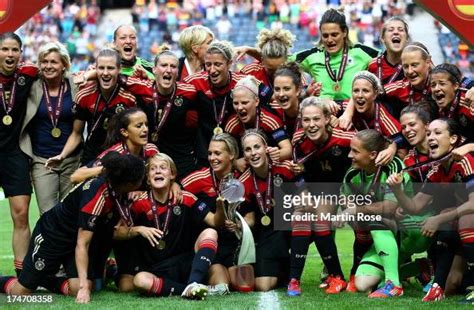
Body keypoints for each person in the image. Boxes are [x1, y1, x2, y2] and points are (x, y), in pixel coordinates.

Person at [0, 152, 146, 304]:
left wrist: (83, 286)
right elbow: (83, 244)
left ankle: (43, 279)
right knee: (20, 293)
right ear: (128, 184)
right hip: (52, 235)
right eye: (141, 179)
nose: (143, 181)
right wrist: (83, 288)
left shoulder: (116, 186)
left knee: (81, 287)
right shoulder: (97, 196)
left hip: (73, 239)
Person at [114, 153, 226, 299]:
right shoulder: (138, 203)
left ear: (172, 174)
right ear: (148, 178)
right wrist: (139, 229)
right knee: (139, 281)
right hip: (156, 269)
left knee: (211, 233)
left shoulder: (186, 198)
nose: (158, 171)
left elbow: (216, 222)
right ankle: (190, 289)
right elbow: (116, 232)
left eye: (163, 168)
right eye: (153, 169)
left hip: (187, 264)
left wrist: (221, 207)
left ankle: (193, 282)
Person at [387, 118, 474, 303]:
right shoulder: (436, 169)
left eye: (437, 133)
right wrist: (396, 189)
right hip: (463, 228)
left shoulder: (466, 160)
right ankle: (439, 286)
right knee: (452, 286)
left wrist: (439, 219)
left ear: (453, 139)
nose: (430, 138)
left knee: (459, 217)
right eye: (428, 134)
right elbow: (415, 207)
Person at [287, 97, 354, 296]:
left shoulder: (345, 137)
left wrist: (348, 197)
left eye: (316, 119)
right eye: (306, 120)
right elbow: (297, 172)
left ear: (327, 119)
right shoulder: (298, 140)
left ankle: (337, 276)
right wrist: (303, 192)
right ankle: (294, 280)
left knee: (318, 217)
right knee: (301, 212)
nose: (311, 125)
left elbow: (365, 154)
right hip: (311, 188)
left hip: (339, 189)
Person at [340, 129, 409, 298]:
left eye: (355, 151)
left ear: (372, 155)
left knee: (377, 217)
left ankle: (394, 284)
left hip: (410, 230)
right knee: (362, 283)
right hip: (383, 236)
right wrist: (347, 207)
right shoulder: (353, 174)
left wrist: (356, 209)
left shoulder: (394, 166)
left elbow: (391, 207)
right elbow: (344, 201)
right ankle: (420, 267)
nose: (349, 155)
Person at [46, 48, 137, 167]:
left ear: (119, 70)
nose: (105, 73)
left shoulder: (129, 98)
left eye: (110, 68)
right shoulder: (84, 96)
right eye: (101, 68)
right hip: (91, 156)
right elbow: (76, 134)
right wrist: (62, 156)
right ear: (95, 69)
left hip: (121, 157)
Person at [19, 42, 81, 215]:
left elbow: (77, 132)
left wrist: (62, 156)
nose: (48, 66)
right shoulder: (33, 86)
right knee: (47, 213)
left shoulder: (76, 85)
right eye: (44, 62)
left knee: (71, 213)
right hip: (42, 160)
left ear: (63, 65)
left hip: (71, 159)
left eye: (53, 62)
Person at [181, 133, 248, 293]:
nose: (212, 158)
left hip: (235, 245)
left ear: (231, 155)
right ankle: (198, 281)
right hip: (211, 244)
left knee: (244, 285)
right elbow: (175, 189)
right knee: (222, 286)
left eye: (217, 153)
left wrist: (240, 225)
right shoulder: (199, 177)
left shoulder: (242, 179)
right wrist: (176, 187)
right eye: (210, 153)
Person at [125, 47, 199, 178]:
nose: (168, 70)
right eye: (164, 65)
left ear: (177, 72)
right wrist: (89, 74)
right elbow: (115, 78)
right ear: (154, 70)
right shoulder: (141, 87)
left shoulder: (190, 91)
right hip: (147, 157)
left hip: (179, 158)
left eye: (173, 66)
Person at [0, 32, 38, 276]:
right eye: (5, 49)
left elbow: (58, 70)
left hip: (14, 153)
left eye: (15, 50)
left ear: (21, 53)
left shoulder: (27, 76)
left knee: (21, 213)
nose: (10, 54)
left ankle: (22, 273)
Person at [238, 129, 294, 291]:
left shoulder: (285, 168)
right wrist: (238, 224)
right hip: (267, 233)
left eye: (257, 147)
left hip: (290, 225)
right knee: (263, 286)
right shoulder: (244, 182)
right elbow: (250, 219)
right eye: (248, 150)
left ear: (266, 148)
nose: (253, 153)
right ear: (244, 154)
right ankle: (284, 267)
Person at [289, 8, 379, 101]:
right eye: (325, 35)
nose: (329, 40)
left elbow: (389, 59)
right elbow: (282, 62)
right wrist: (305, 92)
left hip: (354, 110)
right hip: (322, 112)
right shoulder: (312, 55)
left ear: (344, 32)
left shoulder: (361, 52)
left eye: (334, 35)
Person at [184, 41, 247, 168]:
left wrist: (250, 50)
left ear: (229, 63)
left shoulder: (243, 82)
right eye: (208, 65)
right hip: (204, 155)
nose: (212, 70)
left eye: (217, 64)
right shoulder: (194, 82)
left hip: (236, 156)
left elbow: (270, 96)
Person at [69, 108, 158, 184]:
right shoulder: (115, 153)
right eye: (139, 126)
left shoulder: (151, 150)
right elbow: (75, 177)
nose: (145, 129)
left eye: (146, 124)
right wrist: (110, 170)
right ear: (124, 132)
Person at [225, 75, 292, 166]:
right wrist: (235, 163)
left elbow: (287, 149)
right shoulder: (232, 125)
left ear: (256, 101)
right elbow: (224, 155)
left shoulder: (270, 120)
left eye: (244, 102)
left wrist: (275, 154)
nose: (239, 108)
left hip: (270, 165)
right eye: (236, 103)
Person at [348, 71, 405, 164]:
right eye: (356, 91)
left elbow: (401, 143)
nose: (360, 95)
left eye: (365, 91)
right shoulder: (348, 108)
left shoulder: (383, 117)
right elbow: (328, 107)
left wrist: (392, 147)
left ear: (375, 94)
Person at [383, 42, 434, 118]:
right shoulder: (399, 87)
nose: (410, 71)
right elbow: (372, 93)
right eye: (406, 66)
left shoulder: (441, 86)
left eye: (414, 65)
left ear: (428, 62)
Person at [430, 63, 474, 142]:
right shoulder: (436, 108)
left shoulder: (468, 101)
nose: (436, 89)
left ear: (456, 86)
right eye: (433, 85)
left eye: (442, 84)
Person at [368, 17, 409, 89]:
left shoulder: (416, 62)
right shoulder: (373, 65)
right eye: (391, 30)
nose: (396, 32)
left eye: (401, 30)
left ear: (407, 38)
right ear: (383, 39)